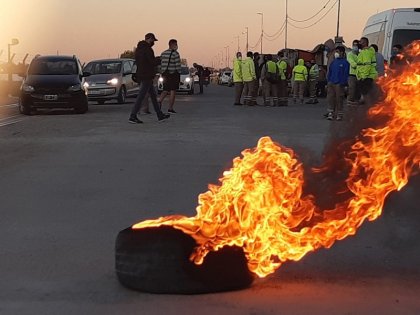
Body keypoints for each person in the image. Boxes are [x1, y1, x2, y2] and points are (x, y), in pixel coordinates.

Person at [129, 33, 170, 124]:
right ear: (149, 39)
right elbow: (151, 62)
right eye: (153, 40)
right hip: (147, 75)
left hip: (143, 74)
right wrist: (159, 59)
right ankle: (133, 116)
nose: (153, 42)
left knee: (153, 96)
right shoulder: (148, 49)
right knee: (141, 96)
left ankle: (160, 115)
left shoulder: (139, 49)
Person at [326, 46, 350, 121]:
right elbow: (329, 72)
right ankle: (331, 113)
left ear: (342, 53)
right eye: (336, 52)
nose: (336, 53)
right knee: (331, 98)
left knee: (339, 99)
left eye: (337, 52)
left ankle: (339, 114)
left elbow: (346, 74)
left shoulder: (345, 63)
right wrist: (329, 81)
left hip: (339, 84)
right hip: (331, 83)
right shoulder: (333, 62)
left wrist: (344, 84)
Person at [158, 39, 181, 114]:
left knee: (165, 90)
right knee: (172, 91)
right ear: (173, 44)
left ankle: (159, 102)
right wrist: (179, 73)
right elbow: (178, 66)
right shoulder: (176, 54)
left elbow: (160, 64)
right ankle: (170, 108)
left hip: (165, 74)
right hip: (173, 74)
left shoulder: (163, 53)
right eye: (176, 44)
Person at [356, 37, 377, 104]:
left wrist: (364, 77)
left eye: (360, 42)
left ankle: (368, 110)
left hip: (366, 77)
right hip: (366, 76)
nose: (359, 43)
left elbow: (367, 65)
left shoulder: (366, 52)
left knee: (366, 97)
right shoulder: (364, 52)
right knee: (365, 96)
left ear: (364, 43)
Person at [347, 39, 360, 106]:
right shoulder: (350, 54)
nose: (355, 46)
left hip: (360, 75)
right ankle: (349, 102)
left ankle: (356, 103)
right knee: (352, 89)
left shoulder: (361, 54)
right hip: (352, 75)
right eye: (354, 45)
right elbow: (353, 64)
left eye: (356, 45)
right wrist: (360, 65)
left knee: (358, 91)